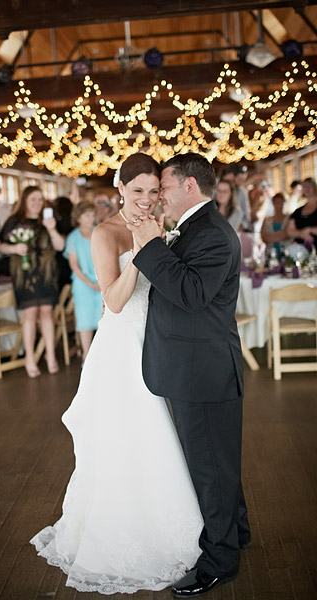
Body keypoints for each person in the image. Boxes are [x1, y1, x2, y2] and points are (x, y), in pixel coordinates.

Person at [30, 153, 203, 594]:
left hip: (159, 340)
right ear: (120, 188)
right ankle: (124, 535)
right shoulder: (105, 233)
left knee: (165, 433)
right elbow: (114, 301)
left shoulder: (161, 225)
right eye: (137, 190)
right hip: (122, 346)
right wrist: (143, 252)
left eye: (153, 191)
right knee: (133, 433)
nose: (146, 199)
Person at [128, 153, 250, 598]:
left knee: (210, 468)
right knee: (218, 463)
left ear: (189, 187)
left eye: (163, 186)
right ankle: (237, 533)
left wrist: (150, 246)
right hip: (195, 366)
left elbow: (191, 294)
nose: (158, 195)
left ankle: (220, 561)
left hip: (204, 371)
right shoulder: (195, 228)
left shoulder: (214, 235)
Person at [0, 186, 65, 377]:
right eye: (33, 199)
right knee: (30, 315)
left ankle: (50, 355)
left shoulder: (48, 222)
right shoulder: (13, 221)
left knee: (46, 313)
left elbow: (60, 246)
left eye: (40, 199)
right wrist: (14, 249)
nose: (37, 203)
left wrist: (52, 229)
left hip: (47, 273)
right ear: (25, 200)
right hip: (24, 275)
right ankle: (30, 357)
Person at [63, 201, 102, 362]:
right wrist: (89, 283)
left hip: (100, 280)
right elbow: (74, 265)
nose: (91, 219)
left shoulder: (98, 232)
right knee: (85, 320)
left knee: (102, 319)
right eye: (87, 215)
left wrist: (101, 281)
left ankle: (101, 354)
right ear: (78, 217)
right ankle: (87, 356)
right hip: (82, 282)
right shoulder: (73, 237)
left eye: (93, 215)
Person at [286, 177, 317, 251]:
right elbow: (289, 230)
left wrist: (310, 230)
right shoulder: (298, 211)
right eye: (305, 186)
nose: (307, 188)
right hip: (301, 251)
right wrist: (300, 233)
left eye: (310, 185)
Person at [261, 192, 290, 259]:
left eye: (281, 202)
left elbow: (287, 235)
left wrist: (271, 237)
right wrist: (280, 235)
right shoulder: (267, 220)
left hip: (285, 253)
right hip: (270, 254)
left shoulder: (289, 219)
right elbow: (264, 237)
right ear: (273, 203)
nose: (279, 205)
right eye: (277, 202)